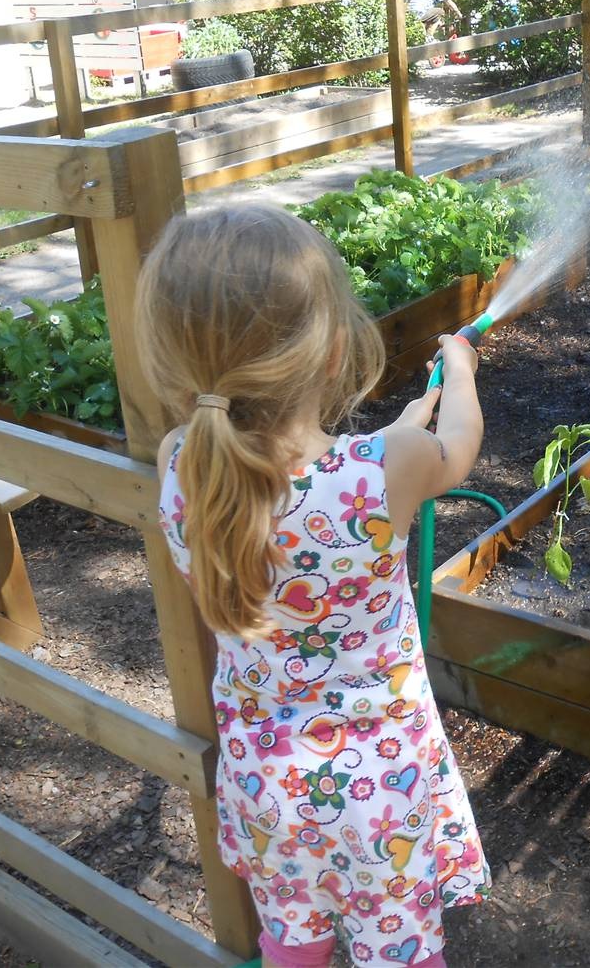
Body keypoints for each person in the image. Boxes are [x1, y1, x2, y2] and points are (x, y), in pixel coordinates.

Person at [134, 204, 490, 968]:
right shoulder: (385, 465)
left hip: (267, 784)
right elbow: (456, 445)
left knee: (292, 944)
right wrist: (457, 370)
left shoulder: (180, 463)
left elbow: (300, 482)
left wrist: (393, 437)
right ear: (333, 354)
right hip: (378, 795)